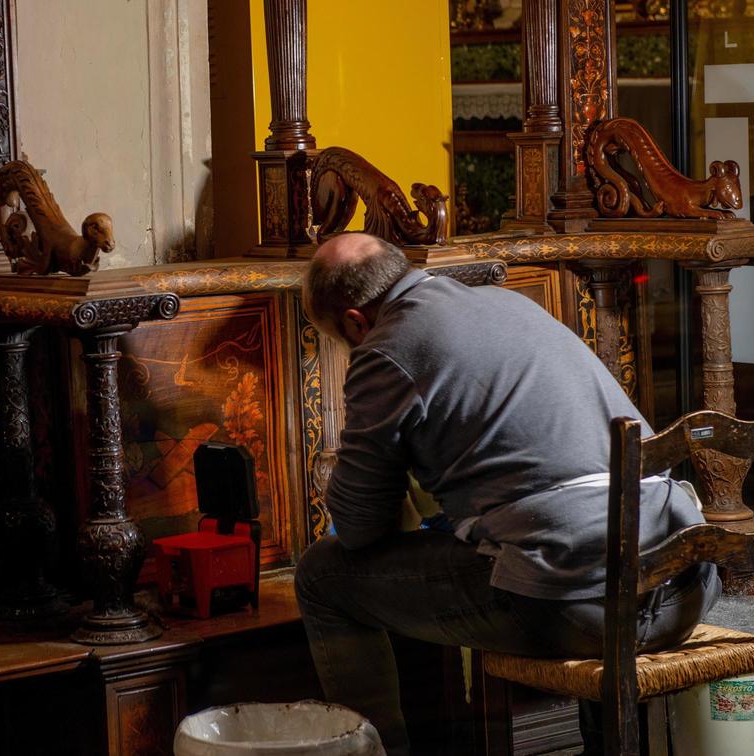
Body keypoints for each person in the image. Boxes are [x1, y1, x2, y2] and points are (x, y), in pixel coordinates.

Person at [295, 233, 719, 755]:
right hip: (687, 586)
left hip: (585, 611)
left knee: (323, 574)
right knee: (570, 526)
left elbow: (359, 529)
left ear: (356, 321)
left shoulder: (386, 349)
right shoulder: (511, 302)